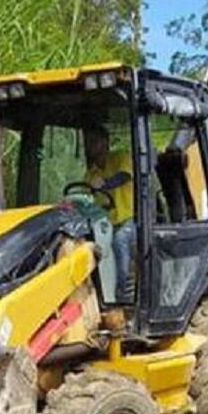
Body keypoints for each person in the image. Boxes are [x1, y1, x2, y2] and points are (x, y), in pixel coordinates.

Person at [83, 124, 135, 302]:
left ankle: (124, 295)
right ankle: (99, 295)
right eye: (88, 141)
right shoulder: (91, 173)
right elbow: (86, 192)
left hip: (130, 219)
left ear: (105, 143)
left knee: (120, 243)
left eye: (94, 141)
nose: (90, 145)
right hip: (105, 225)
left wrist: (104, 185)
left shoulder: (121, 157)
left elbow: (125, 176)